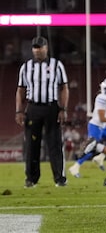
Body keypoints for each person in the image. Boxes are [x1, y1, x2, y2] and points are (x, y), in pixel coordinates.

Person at [15, 36, 69, 188]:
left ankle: (59, 178)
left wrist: (63, 108)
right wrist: (19, 110)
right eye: (35, 47)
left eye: (40, 47)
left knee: (55, 144)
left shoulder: (57, 65)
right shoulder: (26, 67)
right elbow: (20, 90)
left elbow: (64, 87)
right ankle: (31, 179)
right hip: (33, 108)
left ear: (46, 48)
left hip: (52, 107)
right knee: (32, 145)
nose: (37, 50)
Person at [68, 78, 106, 178]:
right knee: (90, 147)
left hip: (103, 127)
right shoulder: (101, 97)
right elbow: (102, 118)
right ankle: (75, 167)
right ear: (104, 88)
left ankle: (100, 157)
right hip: (95, 125)